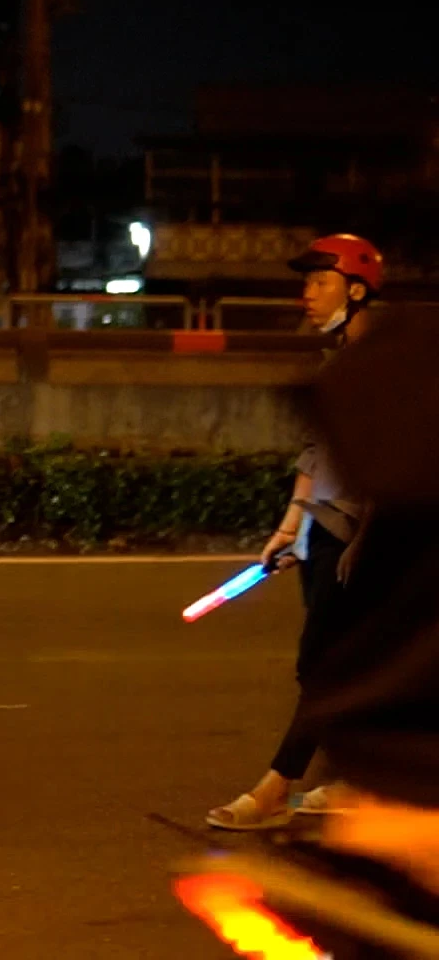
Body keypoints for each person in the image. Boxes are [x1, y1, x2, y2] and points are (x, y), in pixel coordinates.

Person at [206, 233, 386, 831]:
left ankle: (276, 787)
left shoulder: (380, 362)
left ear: (356, 291)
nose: (305, 294)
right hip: (323, 528)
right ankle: (361, 783)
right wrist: (292, 526)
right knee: (338, 667)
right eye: (305, 282)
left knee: (326, 665)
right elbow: (318, 450)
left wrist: (366, 541)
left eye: (319, 282)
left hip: (358, 533)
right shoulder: (334, 357)